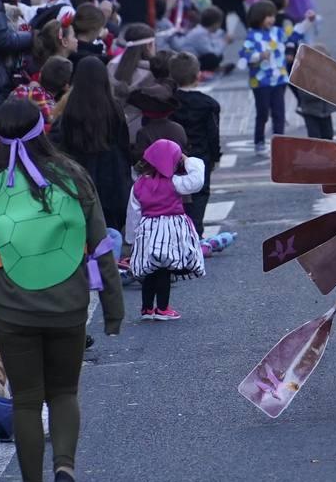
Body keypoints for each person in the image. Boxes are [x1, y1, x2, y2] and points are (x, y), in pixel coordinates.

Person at [0, 99, 124, 482]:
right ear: (42, 128)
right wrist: (113, 310)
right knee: (65, 391)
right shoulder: (72, 175)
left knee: (26, 402)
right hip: (68, 306)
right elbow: (101, 246)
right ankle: (64, 471)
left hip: (14, 312)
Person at [126, 138, 206, 321]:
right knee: (164, 268)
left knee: (149, 269)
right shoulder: (175, 182)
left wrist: (131, 238)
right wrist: (188, 160)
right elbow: (197, 181)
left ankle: (147, 308)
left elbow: (133, 213)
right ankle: (162, 308)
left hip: (147, 228)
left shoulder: (138, 185)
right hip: (171, 229)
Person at [53, 58, 133, 237]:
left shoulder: (69, 111)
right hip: (112, 179)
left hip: (80, 177)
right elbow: (124, 147)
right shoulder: (114, 109)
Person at [238, 0, 312, 156]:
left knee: (279, 112)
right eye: (267, 16)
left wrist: (307, 21)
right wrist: (259, 56)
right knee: (263, 113)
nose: (271, 19)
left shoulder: (278, 32)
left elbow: (295, 34)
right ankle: (259, 141)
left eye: (272, 15)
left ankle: (280, 143)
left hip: (279, 80)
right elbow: (245, 55)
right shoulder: (252, 36)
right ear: (258, 17)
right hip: (260, 82)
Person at [167, 53, 221, 236]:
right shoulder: (208, 104)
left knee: (177, 193)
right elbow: (213, 134)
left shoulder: (169, 101)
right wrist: (215, 157)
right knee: (200, 193)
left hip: (174, 156)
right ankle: (196, 230)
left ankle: (181, 231)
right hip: (201, 154)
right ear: (198, 75)